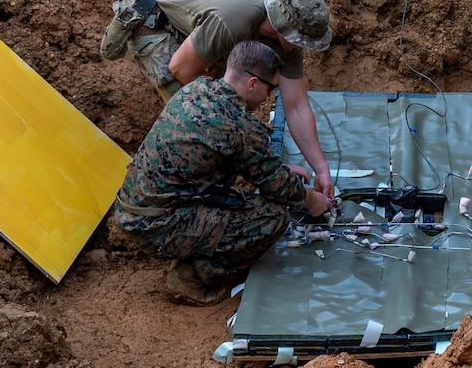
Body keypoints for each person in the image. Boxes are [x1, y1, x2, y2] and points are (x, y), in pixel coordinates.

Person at [99, 0, 336, 204]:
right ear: (284, 29)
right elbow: (181, 68)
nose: (305, 47)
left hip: (198, 16)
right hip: (154, 18)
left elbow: (296, 104)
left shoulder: (286, 33)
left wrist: (321, 168)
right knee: (202, 116)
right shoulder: (232, 21)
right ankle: (187, 194)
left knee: (228, 106)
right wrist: (257, 154)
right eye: (304, 41)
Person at [109, 40, 333, 304]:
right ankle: (189, 278)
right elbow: (276, 186)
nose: (268, 97)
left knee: (238, 192)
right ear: (252, 84)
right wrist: (311, 201)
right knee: (271, 218)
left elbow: (227, 155)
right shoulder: (237, 125)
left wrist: (276, 168)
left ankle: (192, 246)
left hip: (135, 208)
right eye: (270, 89)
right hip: (156, 224)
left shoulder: (197, 88)